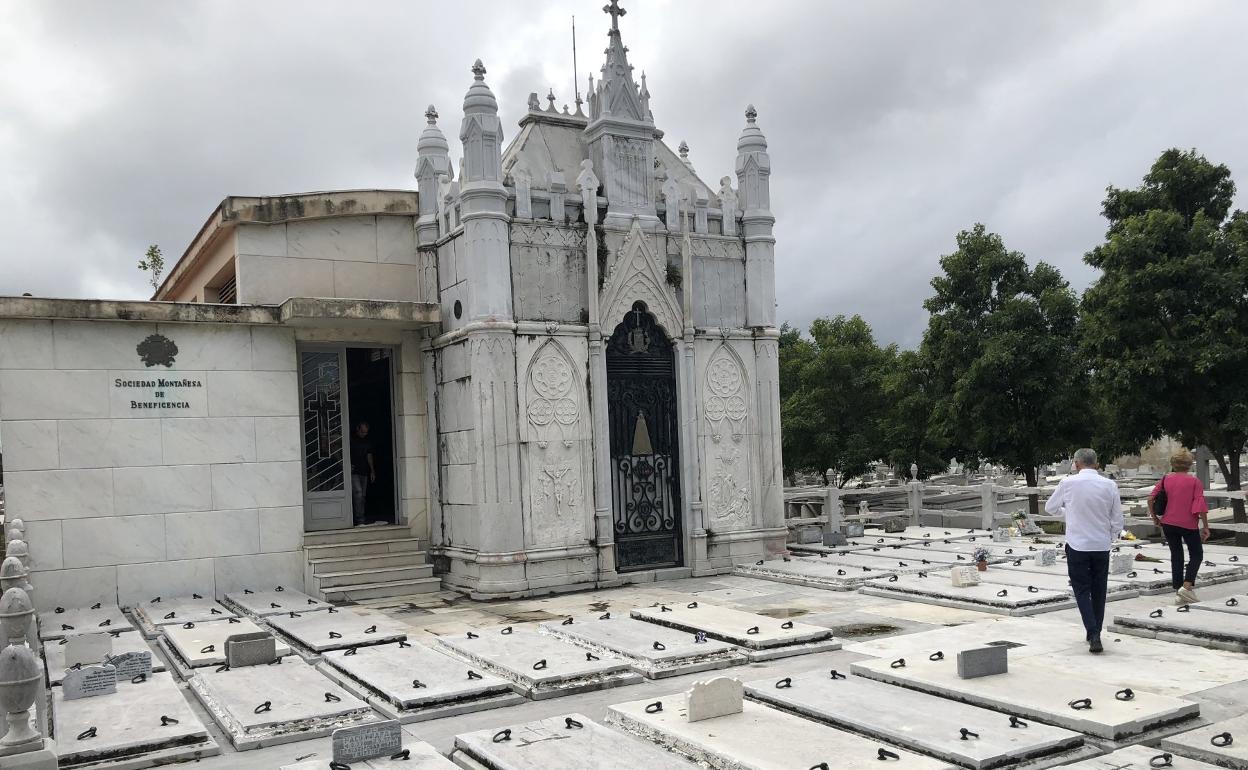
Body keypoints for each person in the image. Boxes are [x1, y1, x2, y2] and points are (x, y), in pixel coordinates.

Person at [1044, 448, 1124, 653]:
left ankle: (1093, 631)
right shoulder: (1109, 485)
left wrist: (1068, 512)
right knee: (1099, 590)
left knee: (1081, 589)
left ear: (1077, 463)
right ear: (1096, 464)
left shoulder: (1068, 483)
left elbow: (1050, 508)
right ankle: (1095, 630)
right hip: (1101, 544)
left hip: (1078, 544)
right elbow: (1117, 518)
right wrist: (1111, 537)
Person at [1148, 449, 1209, 605]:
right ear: (1189, 465)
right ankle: (1186, 587)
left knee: (1176, 555)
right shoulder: (1195, 482)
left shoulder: (1165, 479)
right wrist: (1206, 527)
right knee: (1196, 554)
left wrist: (1155, 517)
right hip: (1188, 523)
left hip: (1168, 523)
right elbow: (1200, 506)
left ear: (1173, 465)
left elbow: (1151, 499)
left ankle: (1178, 590)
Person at [349, 421, 375, 525]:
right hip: (353, 471)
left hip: (364, 471)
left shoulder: (367, 441)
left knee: (362, 496)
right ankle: (359, 519)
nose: (364, 434)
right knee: (358, 493)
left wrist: (372, 470)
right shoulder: (351, 439)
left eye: (366, 432)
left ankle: (361, 517)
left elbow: (369, 455)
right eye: (362, 432)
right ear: (357, 429)